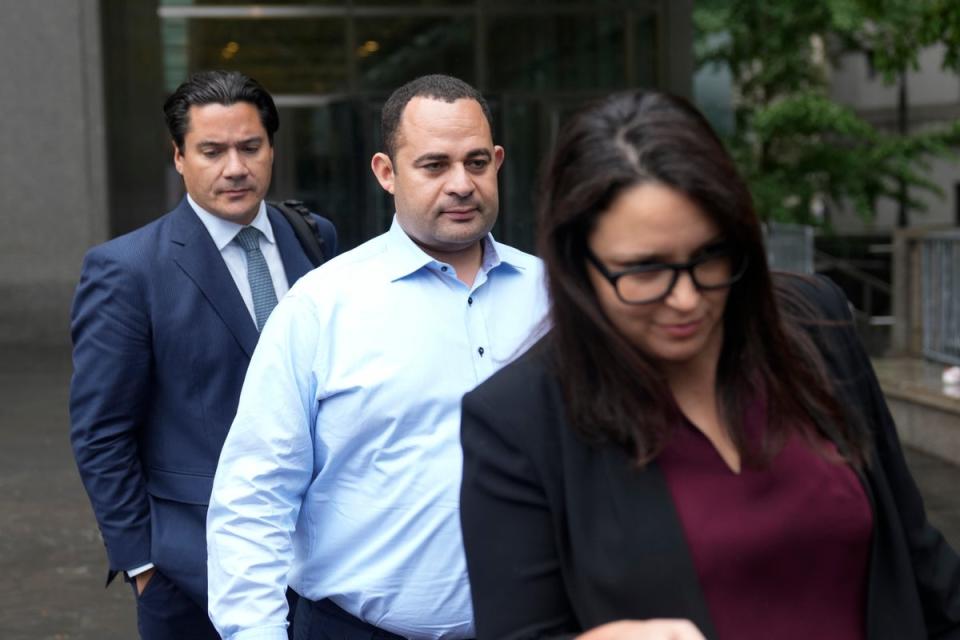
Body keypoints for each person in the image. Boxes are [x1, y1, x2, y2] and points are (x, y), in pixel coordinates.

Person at [459, 90, 960, 640]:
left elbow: (922, 565)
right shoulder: (518, 419)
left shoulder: (817, 326)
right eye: (644, 270)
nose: (687, 300)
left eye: (710, 256)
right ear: (578, 264)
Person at [206, 74, 549, 640]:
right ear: (386, 173)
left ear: (499, 162)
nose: (461, 184)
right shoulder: (322, 306)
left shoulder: (553, 297)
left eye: (477, 162)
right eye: (434, 166)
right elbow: (255, 494)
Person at [69, 70, 337, 640]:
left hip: (322, 554)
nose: (235, 167)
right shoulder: (127, 270)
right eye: (211, 151)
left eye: (250, 147)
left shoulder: (314, 238)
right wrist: (143, 564)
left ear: (271, 148)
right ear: (180, 158)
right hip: (193, 570)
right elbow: (100, 432)